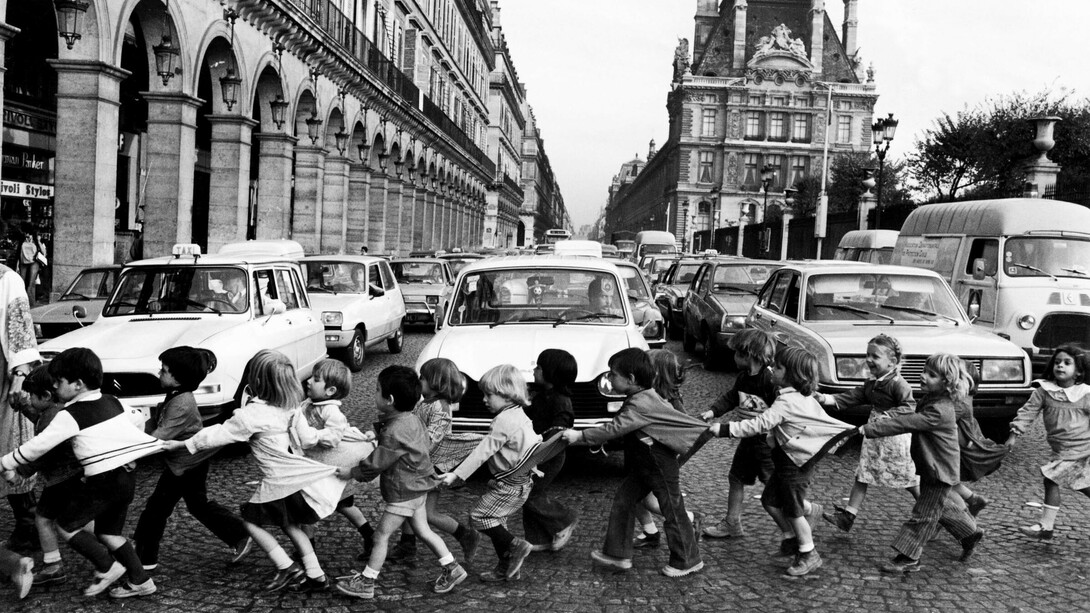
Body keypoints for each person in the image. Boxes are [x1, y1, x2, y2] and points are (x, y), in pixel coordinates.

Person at [163, 350, 345, 594]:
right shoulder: (292, 407)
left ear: (256, 381)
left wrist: (185, 444)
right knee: (292, 526)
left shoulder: (251, 415)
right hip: (296, 477)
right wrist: (335, 434)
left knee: (250, 523)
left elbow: (218, 434)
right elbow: (310, 439)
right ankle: (316, 575)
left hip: (278, 479)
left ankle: (287, 567)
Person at [0, 348, 163, 597]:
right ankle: (141, 581)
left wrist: (6, 462)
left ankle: (108, 567)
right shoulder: (111, 400)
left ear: (77, 384)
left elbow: (39, 446)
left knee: (66, 526)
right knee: (109, 533)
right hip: (125, 476)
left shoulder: (69, 415)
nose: (54, 386)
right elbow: (137, 419)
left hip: (103, 480)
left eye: (58, 381)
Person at [563, 348, 709, 578]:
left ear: (630, 380)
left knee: (673, 511)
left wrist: (580, 436)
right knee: (624, 500)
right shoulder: (643, 396)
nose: (609, 379)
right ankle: (617, 555)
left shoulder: (641, 403)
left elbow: (615, 428)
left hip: (658, 465)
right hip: (646, 465)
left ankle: (688, 560)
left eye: (612, 374)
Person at [710, 346, 854, 576]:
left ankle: (809, 554)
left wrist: (724, 429)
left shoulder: (786, 402)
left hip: (795, 465)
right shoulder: (797, 397)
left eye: (777, 367)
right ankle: (792, 538)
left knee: (792, 510)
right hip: (788, 462)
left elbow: (759, 423)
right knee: (769, 500)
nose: (772, 369)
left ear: (791, 374)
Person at [334, 366, 467, 599]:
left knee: (380, 536)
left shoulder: (394, 431)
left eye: (376, 390)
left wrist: (352, 472)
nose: (373, 394)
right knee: (424, 531)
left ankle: (367, 581)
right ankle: (452, 568)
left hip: (404, 492)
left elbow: (377, 462)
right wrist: (377, 433)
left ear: (390, 399)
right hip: (418, 489)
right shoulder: (412, 419)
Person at [861, 353, 984, 573]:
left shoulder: (940, 409)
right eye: (925, 371)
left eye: (932, 375)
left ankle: (909, 557)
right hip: (931, 467)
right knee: (936, 507)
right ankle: (969, 533)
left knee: (924, 515)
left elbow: (908, 422)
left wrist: (870, 429)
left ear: (947, 383)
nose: (923, 376)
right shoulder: (932, 400)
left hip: (940, 471)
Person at [132, 347, 252, 572]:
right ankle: (241, 534)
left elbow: (159, 438)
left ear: (178, 378)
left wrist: (129, 449)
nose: (159, 373)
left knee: (157, 509)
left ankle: (145, 558)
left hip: (184, 465)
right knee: (197, 505)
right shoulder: (177, 395)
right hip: (187, 462)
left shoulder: (182, 403)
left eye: (164, 370)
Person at [438, 364, 542, 582]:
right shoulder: (519, 415)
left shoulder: (503, 421)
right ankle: (507, 568)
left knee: (479, 516)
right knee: (497, 521)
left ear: (506, 395)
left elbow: (482, 452)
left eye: (489, 394)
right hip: (520, 483)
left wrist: (457, 474)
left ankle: (517, 546)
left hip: (509, 485)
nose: (484, 399)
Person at [814, 334, 919, 532]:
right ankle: (848, 516)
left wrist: (888, 415)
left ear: (892, 362)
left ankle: (932, 513)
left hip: (893, 437)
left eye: (875, 356)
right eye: (867, 355)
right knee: (863, 473)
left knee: (907, 477)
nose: (869, 360)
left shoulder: (898, 383)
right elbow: (854, 396)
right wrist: (825, 399)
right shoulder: (873, 381)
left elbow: (909, 407)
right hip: (874, 434)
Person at [386, 358, 480, 562]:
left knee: (425, 512)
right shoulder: (427, 403)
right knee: (413, 505)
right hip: (421, 464)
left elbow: (432, 439)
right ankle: (407, 545)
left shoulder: (439, 406)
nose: (419, 381)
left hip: (431, 467)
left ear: (436, 382)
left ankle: (465, 535)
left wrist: (408, 447)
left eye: (422, 378)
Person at [699, 329, 779, 540]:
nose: (732, 357)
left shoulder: (769, 380)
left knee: (774, 488)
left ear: (748, 355)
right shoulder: (744, 377)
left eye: (736, 353)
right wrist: (713, 411)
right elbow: (732, 397)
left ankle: (800, 519)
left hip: (766, 444)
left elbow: (780, 411)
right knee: (736, 478)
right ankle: (732, 523)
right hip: (748, 439)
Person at [292, 359, 377, 555]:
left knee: (338, 504)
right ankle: (309, 547)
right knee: (324, 505)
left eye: (316, 379)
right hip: (315, 465)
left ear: (330, 390)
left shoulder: (332, 411)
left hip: (332, 465)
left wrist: (313, 436)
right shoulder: (308, 404)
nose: (309, 382)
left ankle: (369, 536)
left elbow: (333, 437)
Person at [1007, 345, 1090, 540]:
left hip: (1082, 448)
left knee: (1051, 479)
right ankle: (1046, 527)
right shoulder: (1044, 391)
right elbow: (1028, 412)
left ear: (1079, 371)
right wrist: (1014, 434)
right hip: (1061, 448)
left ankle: (1046, 527)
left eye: (1067, 363)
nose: (1060, 366)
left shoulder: (1085, 394)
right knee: (1082, 484)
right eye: (1057, 362)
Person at [12, 366, 80, 588]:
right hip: (68, 477)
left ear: (46, 396)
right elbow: (39, 419)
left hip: (62, 479)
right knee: (77, 520)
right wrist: (24, 407)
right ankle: (116, 550)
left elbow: (44, 450)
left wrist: (22, 471)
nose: (29, 399)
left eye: (31, 396)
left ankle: (55, 566)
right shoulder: (55, 411)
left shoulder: (52, 417)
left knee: (47, 520)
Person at [632, 349, 704, 548]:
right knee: (635, 496)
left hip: (659, 459)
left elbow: (686, 430)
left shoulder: (669, 401)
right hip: (644, 457)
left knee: (650, 500)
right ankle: (650, 532)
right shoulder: (648, 396)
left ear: (654, 373)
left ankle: (689, 518)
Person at [0, 250, 40, 554]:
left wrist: (20, 376)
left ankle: (28, 525)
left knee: (11, 447)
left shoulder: (8, 279)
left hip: (2, 377)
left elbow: (22, 334)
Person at [523, 349, 580, 552]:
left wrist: (540, 455)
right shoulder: (543, 395)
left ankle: (564, 519)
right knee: (530, 491)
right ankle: (539, 539)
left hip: (549, 454)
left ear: (551, 373)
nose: (534, 370)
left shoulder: (560, 401)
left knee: (529, 494)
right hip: (537, 452)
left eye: (538, 367)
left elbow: (558, 433)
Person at [16, 226, 43, 307]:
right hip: (23, 262)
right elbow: (18, 254)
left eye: (29, 234)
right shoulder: (22, 241)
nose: (28, 235)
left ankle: (31, 304)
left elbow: (44, 252)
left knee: (30, 284)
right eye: (27, 234)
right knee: (21, 282)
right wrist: (17, 265)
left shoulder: (35, 241)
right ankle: (22, 302)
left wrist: (38, 241)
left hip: (34, 263)